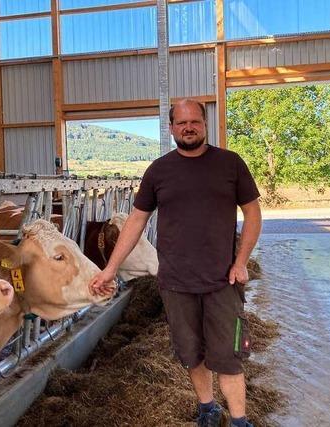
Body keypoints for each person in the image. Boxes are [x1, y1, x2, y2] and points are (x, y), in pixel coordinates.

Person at [88, 98, 262, 427]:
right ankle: (207, 408)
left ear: (205, 124)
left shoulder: (230, 164)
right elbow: (136, 221)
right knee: (191, 353)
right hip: (176, 284)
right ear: (171, 129)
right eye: (181, 123)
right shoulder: (159, 171)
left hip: (222, 281)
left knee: (228, 358)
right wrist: (110, 268)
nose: (188, 127)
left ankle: (239, 420)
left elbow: (253, 213)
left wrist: (241, 262)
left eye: (194, 121)